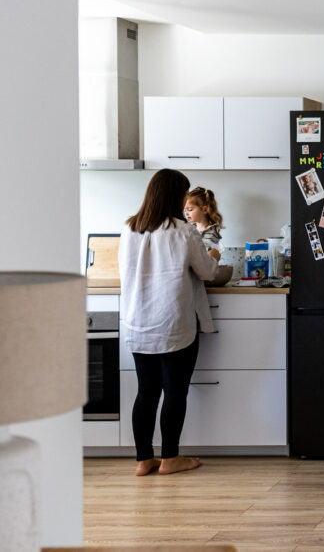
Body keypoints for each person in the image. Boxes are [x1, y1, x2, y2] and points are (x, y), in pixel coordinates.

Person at [119, 169, 220, 476]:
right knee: (174, 391)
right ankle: (171, 458)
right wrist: (212, 255)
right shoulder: (183, 230)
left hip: (138, 321)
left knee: (146, 392)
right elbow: (206, 272)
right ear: (176, 196)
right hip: (173, 322)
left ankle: (143, 459)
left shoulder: (129, 228)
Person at [184, 186, 225, 253]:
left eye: (189, 209)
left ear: (204, 210)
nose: (186, 213)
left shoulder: (212, 231)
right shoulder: (189, 227)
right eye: (185, 210)